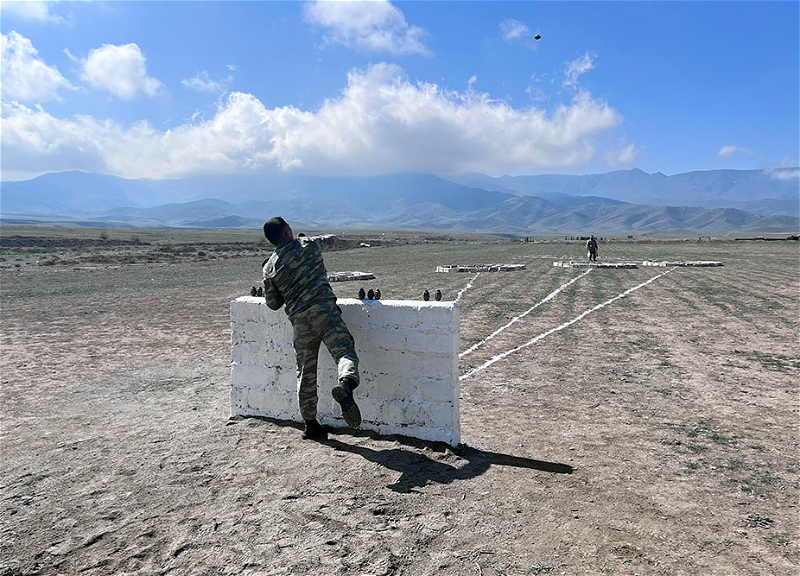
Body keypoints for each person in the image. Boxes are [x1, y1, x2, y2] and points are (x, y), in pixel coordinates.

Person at [261, 217, 361, 440]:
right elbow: (331, 240)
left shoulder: (269, 267)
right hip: (326, 312)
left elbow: (273, 304)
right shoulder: (307, 244)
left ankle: (311, 424)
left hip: (300, 321)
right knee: (344, 353)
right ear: (287, 232)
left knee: (305, 372)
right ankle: (346, 385)